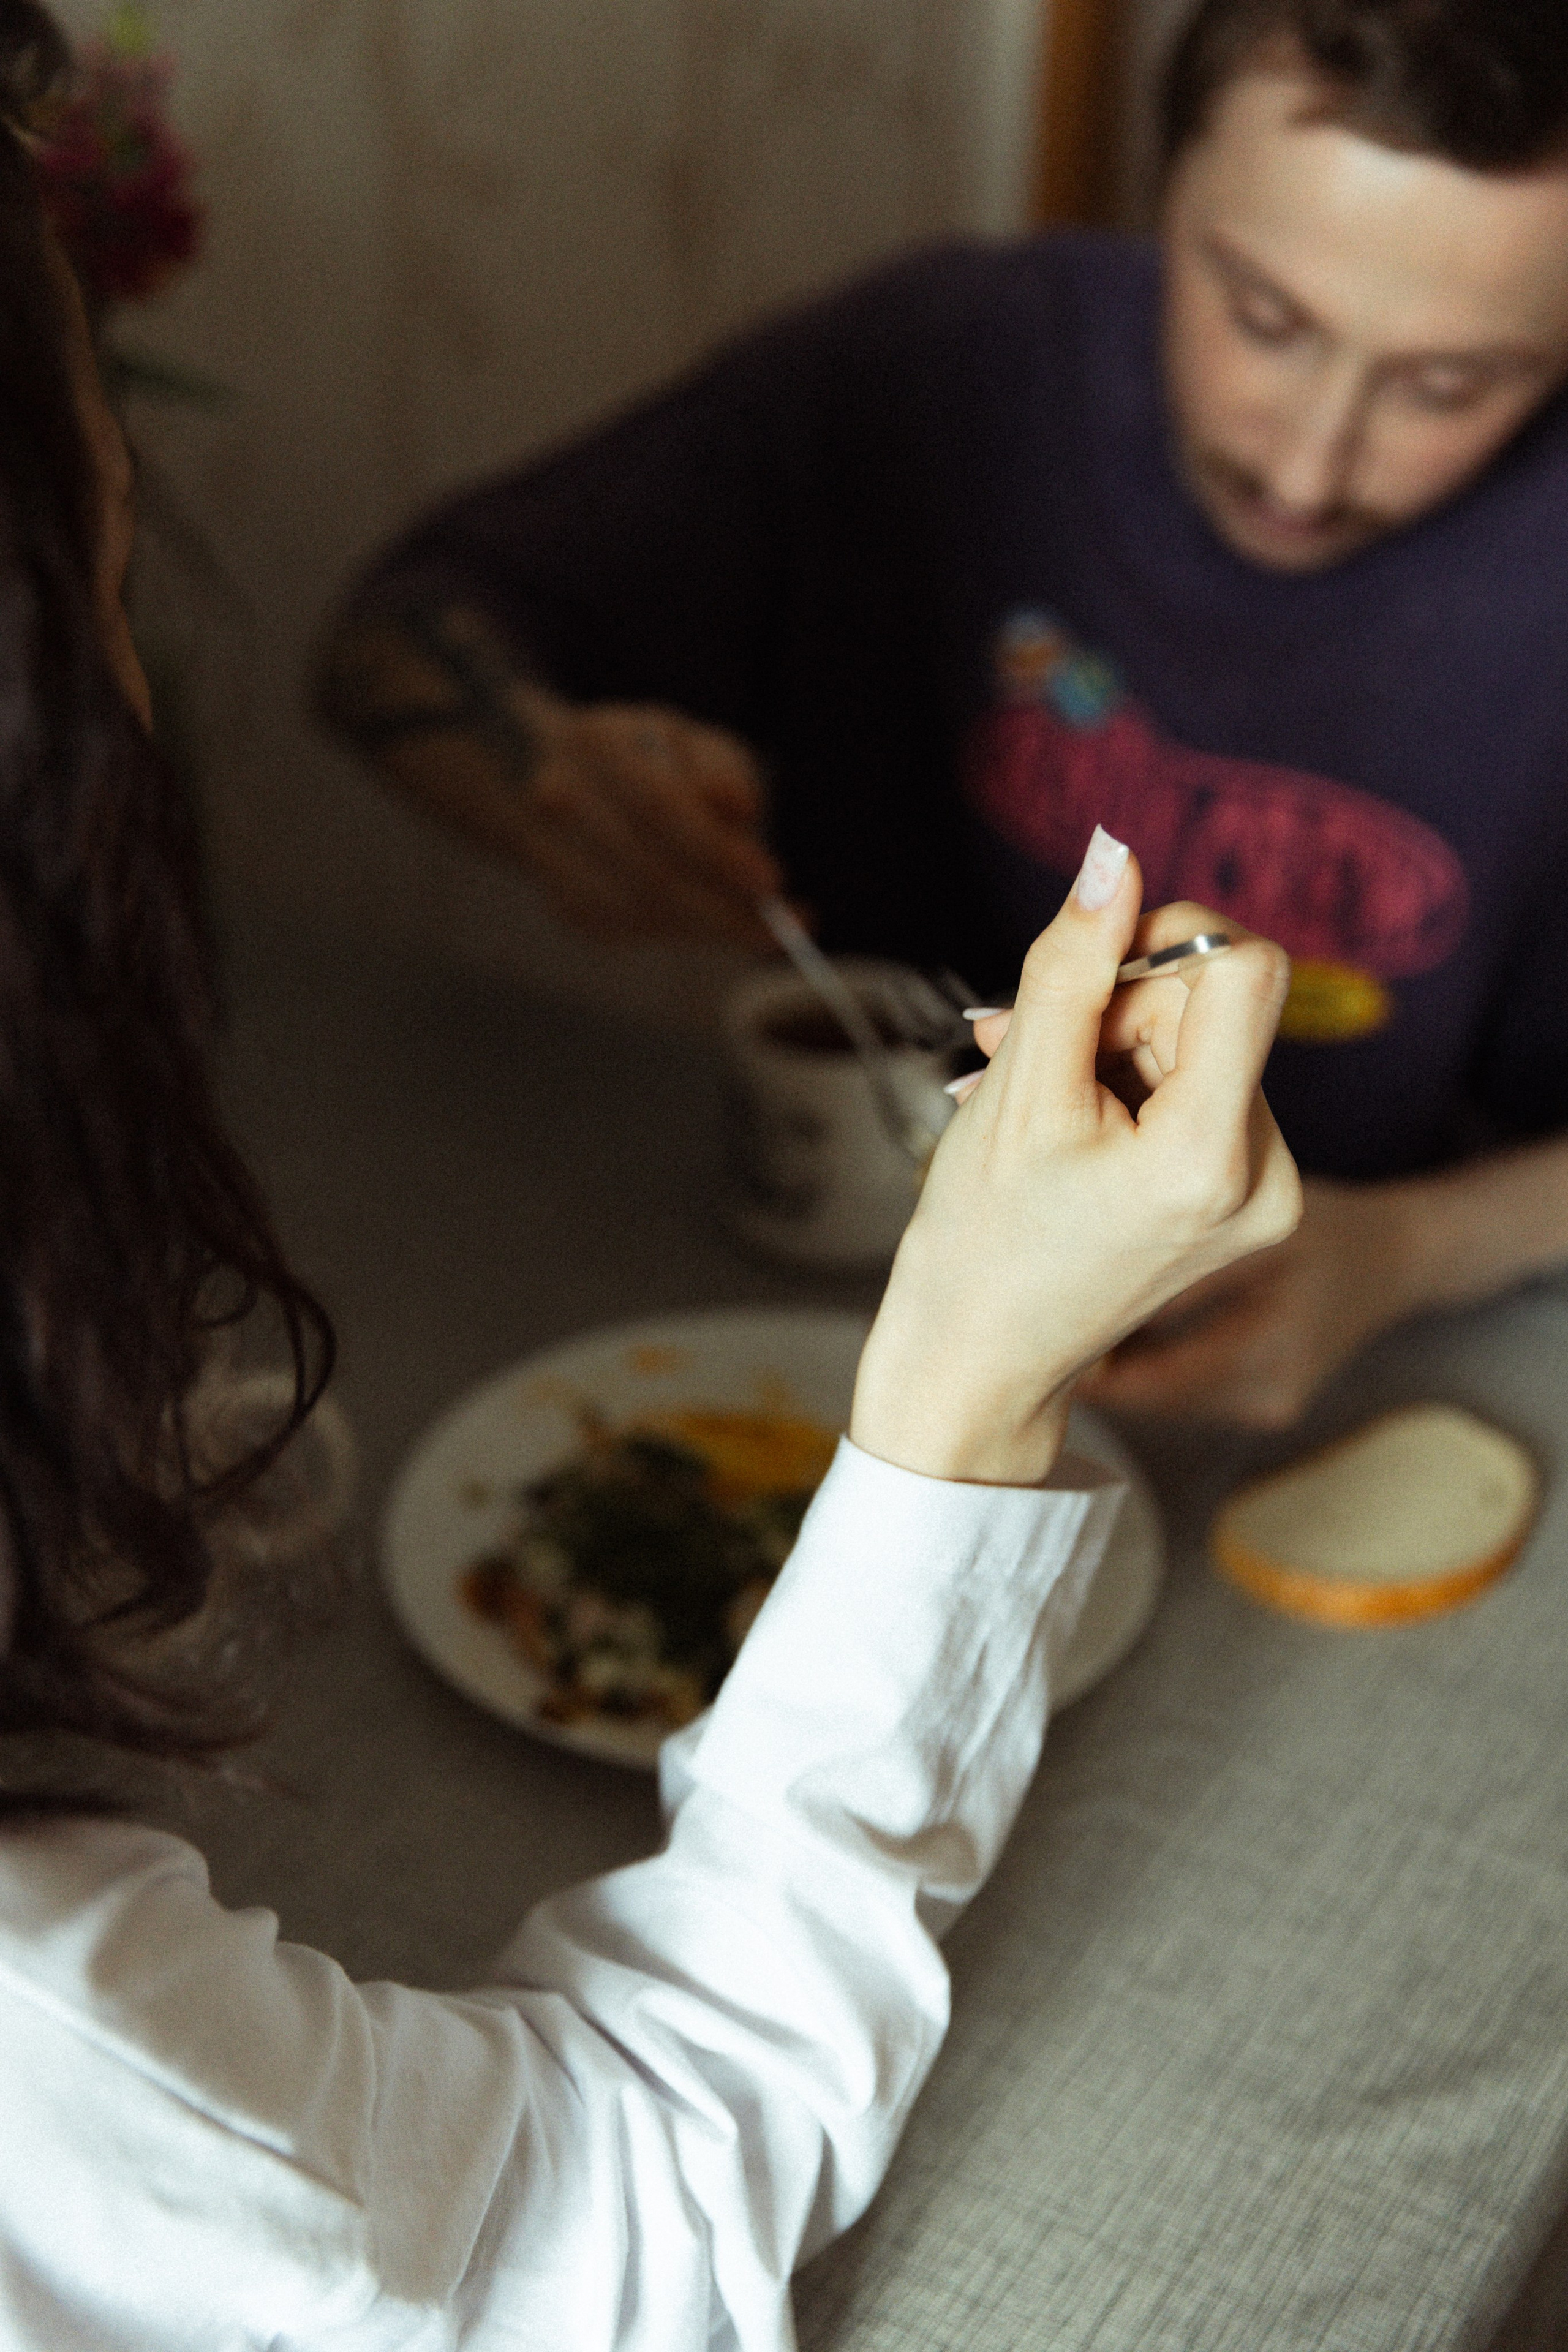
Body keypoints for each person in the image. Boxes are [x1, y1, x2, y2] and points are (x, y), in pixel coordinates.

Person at [0, 6, 1303, 2340]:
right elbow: (598, 2227)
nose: (1318, 451)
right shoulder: (954, 355)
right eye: (109, 635)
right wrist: (974, 1378)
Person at [319, 0, 1568, 1433]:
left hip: (1363, 1373)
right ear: (1163, 192)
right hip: (820, 1314)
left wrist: (1395, 1254)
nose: (1308, 459)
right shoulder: (944, 359)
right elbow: (387, 644)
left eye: (1445, 385)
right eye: (1263, 318)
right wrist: (543, 776)